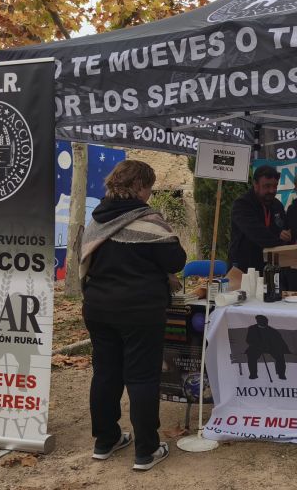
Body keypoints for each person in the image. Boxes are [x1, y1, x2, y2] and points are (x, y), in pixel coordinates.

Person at [80, 160, 186, 472]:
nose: (150, 194)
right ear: (139, 187)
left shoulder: (96, 219)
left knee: (105, 373)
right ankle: (146, 451)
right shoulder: (148, 220)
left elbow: (85, 257)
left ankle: (105, 440)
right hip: (139, 310)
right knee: (142, 377)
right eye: (149, 187)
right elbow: (176, 259)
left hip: (98, 307)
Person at [229, 165, 290, 272]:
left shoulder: (277, 205)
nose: (272, 190)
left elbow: (281, 228)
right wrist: (282, 244)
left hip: (270, 267)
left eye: (275, 186)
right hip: (244, 268)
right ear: (255, 185)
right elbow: (257, 232)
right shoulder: (242, 204)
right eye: (267, 186)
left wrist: (284, 234)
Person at [245, 315, 290, 380]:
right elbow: (248, 340)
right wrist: (257, 344)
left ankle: (281, 374)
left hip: (270, 347)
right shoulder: (252, 329)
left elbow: (279, 341)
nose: (265, 323)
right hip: (257, 347)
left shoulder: (272, 331)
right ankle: (253, 374)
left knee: (280, 355)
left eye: (266, 321)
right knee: (251, 355)